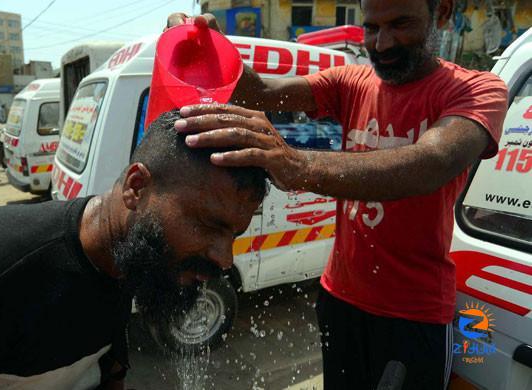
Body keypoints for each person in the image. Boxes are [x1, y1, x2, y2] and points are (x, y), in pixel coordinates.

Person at [167, 0, 508, 389]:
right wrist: (205, 48)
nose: (382, 44)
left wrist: (297, 166)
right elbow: (257, 92)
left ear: (442, 13)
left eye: (401, 24)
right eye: (371, 28)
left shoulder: (477, 89)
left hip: (415, 315)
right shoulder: (351, 82)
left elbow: (432, 161)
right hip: (339, 300)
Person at [0, 110, 267, 390]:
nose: (224, 258)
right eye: (209, 225)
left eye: (235, 234)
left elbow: (106, 365)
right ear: (137, 187)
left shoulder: (133, 258)